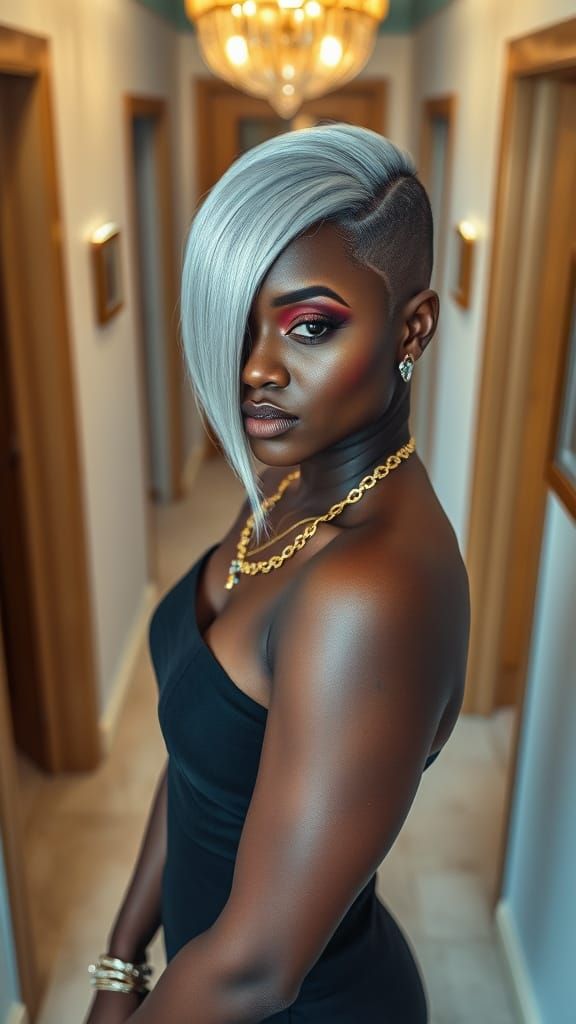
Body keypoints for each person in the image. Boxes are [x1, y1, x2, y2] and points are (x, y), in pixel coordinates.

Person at [84, 123, 470, 1024]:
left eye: (309, 326)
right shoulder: (289, 479)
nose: (256, 368)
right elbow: (194, 764)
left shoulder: (371, 592)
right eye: (241, 320)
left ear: (412, 327)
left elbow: (256, 968)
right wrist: (118, 961)